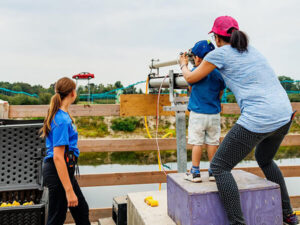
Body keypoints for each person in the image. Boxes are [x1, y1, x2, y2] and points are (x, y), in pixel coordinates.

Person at [179, 16, 298, 225]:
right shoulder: (252, 50)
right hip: (285, 115)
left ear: (216, 37)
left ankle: (237, 223)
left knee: (219, 167)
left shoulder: (219, 53)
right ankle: (288, 214)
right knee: (265, 159)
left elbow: (191, 78)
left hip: (259, 117)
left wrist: (183, 64)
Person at [41, 77, 90, 225]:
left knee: (81, 209)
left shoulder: (62, 115)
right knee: (57, 217)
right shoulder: (61, 120)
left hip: (64, 170)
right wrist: (69, 191)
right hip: (57, 171)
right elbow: (57, 156)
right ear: (72, 93)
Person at [184, 40, 225, 182]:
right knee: (213, 142)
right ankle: (213, 171)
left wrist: (183, 65)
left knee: (197, 143)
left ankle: (195, 172)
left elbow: (190, 85)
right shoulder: (218, 74)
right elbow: (220, 92)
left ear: (198, 58)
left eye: (194, 56)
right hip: (214, 114)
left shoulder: (195, 72)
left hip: (198, 114)